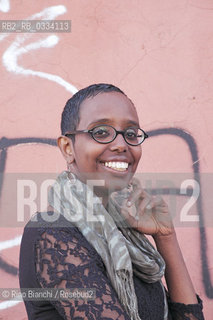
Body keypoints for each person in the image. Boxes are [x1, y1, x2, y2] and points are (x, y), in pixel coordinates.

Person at [19, 83, 204, 319]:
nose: (121, 144)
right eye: (101, 132)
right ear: (68, 148)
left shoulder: (127, 237)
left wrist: (165, 236)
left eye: (130, 134)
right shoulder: (52, 234)